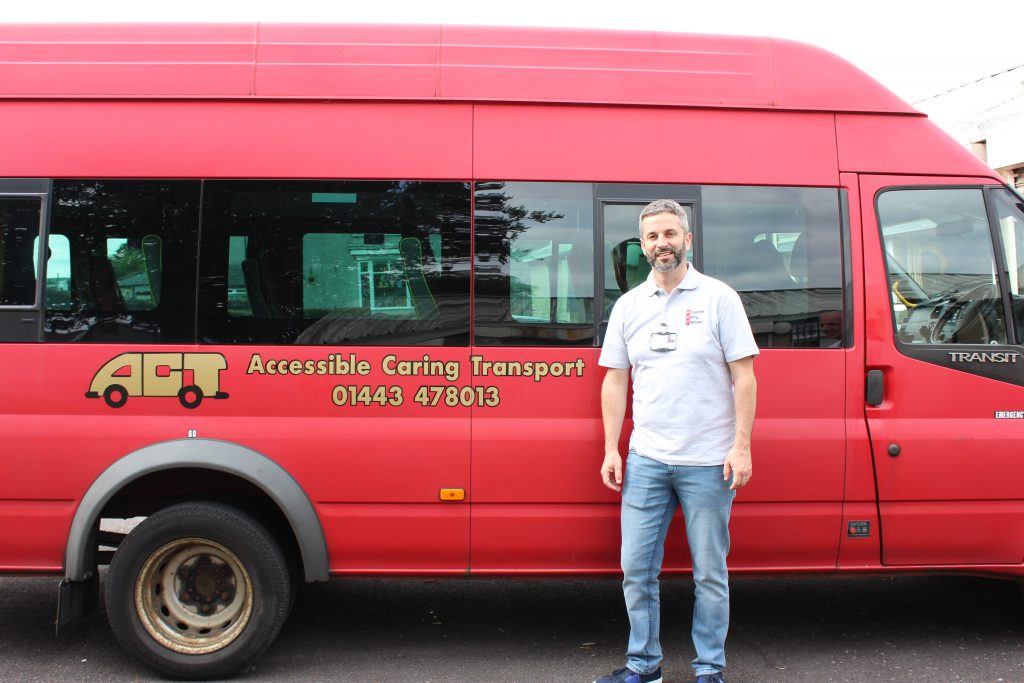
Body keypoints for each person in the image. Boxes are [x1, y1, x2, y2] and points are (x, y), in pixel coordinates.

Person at [593, 199, 758, 683]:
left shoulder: (719, 298)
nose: (661, 243)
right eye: (651, 237)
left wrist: (742, 445)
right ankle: (643, 667)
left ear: (688, 239)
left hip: (710, 461)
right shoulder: (629, 305)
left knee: (710, 575)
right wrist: (611, 448)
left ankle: (709, 670)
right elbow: (615, 381)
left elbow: (744, 377)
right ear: (641, 246)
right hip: (646, 459)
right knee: (635, 571)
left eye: (669, 233)